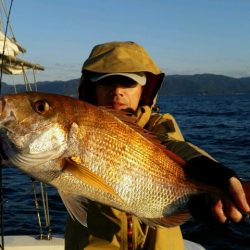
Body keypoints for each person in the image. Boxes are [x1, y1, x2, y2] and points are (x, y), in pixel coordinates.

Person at [65, 41, 250, 250]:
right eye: (106, 82)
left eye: (128, 83)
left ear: (145, 89)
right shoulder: (79, 130)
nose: (117, 91)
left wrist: (212, 172)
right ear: (92, 88)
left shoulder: (160, 124)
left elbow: (171, 144)